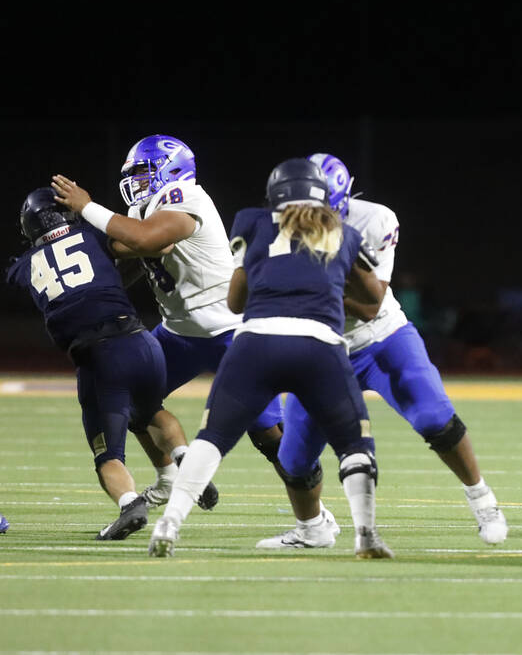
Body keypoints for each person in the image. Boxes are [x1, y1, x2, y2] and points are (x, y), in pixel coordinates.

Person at [256, 153, 506, 550]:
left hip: (380, 337)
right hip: (323, 349)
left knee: (436, 418)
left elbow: (371, 304)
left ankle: (483, 501)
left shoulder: (374, 220)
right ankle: (312, 530)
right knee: (293, 460)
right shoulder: (272, 229)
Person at [147, 158, 391, 558]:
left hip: (257, 342)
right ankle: (365, 534)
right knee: (354, 444)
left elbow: (235, 300)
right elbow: (373, 298)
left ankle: (170, 522)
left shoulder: (251, 222)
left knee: (212, 439)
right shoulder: (343, 233)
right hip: (320, 346)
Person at [51, 135, 285, 508]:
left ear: (171, 169)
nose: (136, 181)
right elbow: (134, 253)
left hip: (228, 330)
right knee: (130, 395)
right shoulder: (144, 211)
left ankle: (315, 516)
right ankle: (168, 478)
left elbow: (145, 240)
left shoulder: (185, 197)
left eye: (143, 171)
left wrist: (88, 208)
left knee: (269, 435)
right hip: (179, 333)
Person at [6, 187, 170, 541]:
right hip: (143, 340)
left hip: (98, 356)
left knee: (107, 453)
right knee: (151, 412)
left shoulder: (22, 268)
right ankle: (182, 465)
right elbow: (144, 246)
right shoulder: (93, 234)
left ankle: (130, 503)